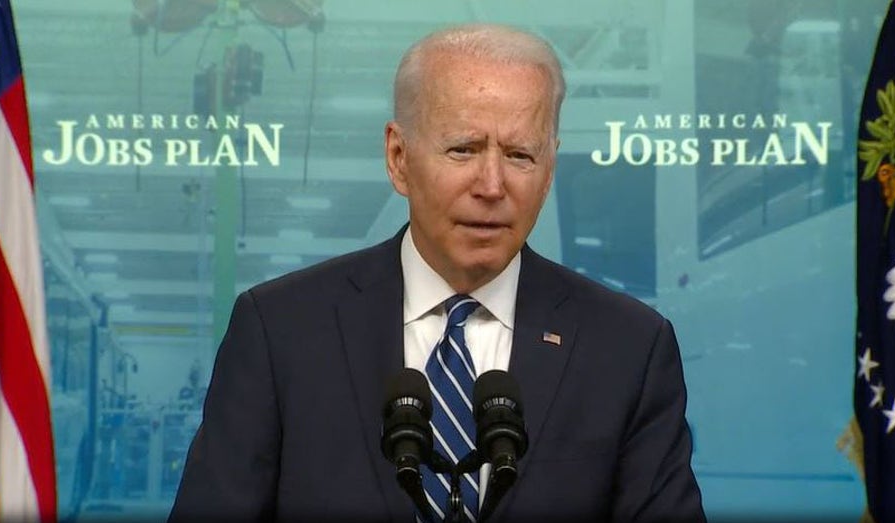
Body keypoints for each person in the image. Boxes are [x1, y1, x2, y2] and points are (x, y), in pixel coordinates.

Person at [170, 24, 705, 522]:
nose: (492, 185)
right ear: (399, 157)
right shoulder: (281, 330)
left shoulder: (629, 347)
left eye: (520, 154)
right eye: (464, 149)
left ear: (549, 171)